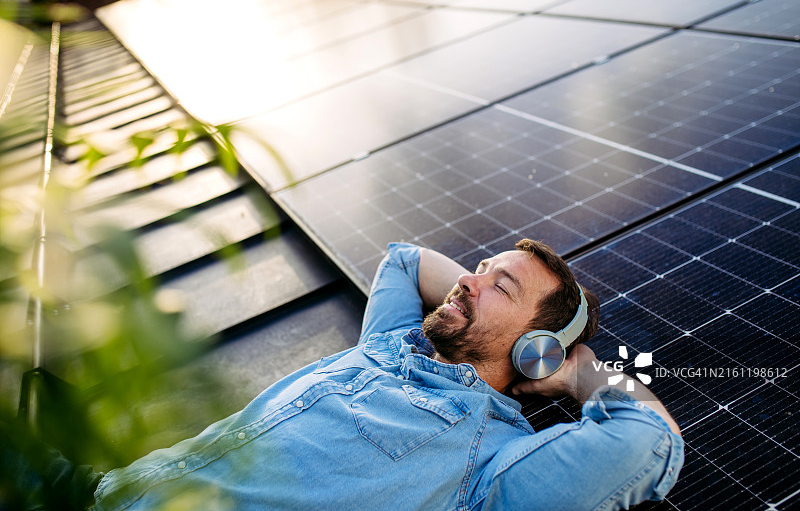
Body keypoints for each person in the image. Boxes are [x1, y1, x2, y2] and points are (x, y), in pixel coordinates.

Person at [13, 239, 685, 510]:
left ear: (534, 346)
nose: (468, 282)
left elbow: (650, 441)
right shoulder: (392, 341)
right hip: (92, 492)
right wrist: (473, 298)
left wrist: (576, 372)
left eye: (497, 283)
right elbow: (402, 258)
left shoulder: (489, 465)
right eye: (476, 268)